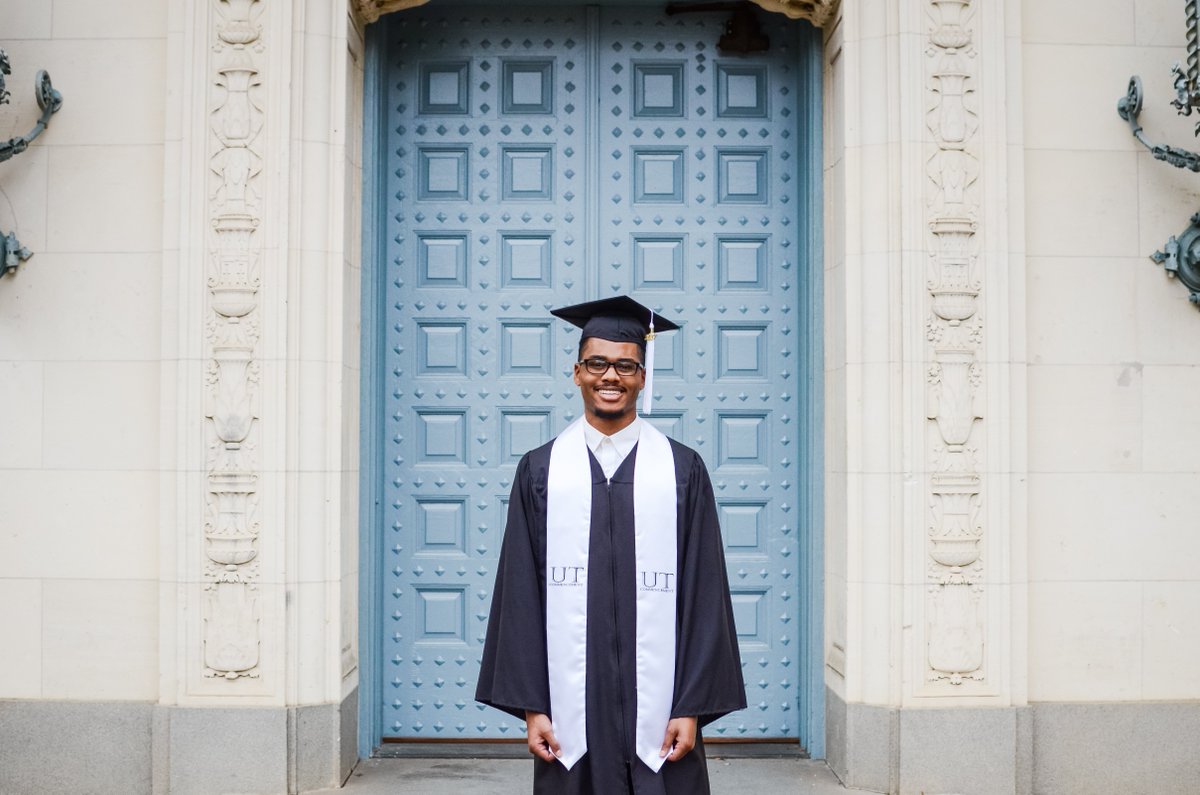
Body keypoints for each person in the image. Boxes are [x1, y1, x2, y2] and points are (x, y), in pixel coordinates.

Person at [475, 295, 746, 794]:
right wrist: (533, 706)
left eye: (626, 365)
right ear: (576, 372)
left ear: (643, 377)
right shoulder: (541, 471)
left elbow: (704, 593)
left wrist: (690, 707)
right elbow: (519, 595)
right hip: (571, 711)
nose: (610, 376)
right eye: (597, 363)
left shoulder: (682, 471)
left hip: (661, 712)